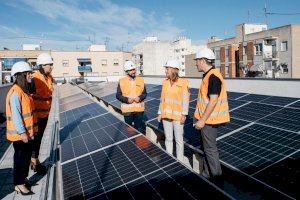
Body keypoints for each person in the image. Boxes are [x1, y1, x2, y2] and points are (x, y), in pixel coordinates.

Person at [193, 48, 230, 179]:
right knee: (207, 149)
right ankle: (207, 175)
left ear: (203, 60)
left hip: (209, 121)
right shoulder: (208, 75)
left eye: (197, 61)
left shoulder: (213, 77)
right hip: (207, 120)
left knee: (210, 149)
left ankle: (216, 178)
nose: (196, 63)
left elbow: (213, 101)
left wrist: (202, 120)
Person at [6, 61, 37, 195]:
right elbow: (16, 116)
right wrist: (22, 133)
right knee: (20, 160)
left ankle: (22, 180)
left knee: (25, 159)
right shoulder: (15, 93)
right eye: (28, 73)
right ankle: (18, 184)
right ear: (21, 76)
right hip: (20, 135)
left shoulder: (23, 91)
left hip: (26, 134)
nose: (31, 75)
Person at [157, 59, 190, 162]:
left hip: (178, 116)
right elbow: (162, 99)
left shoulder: (183, 82)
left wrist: (184, 114)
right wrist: (159, 112)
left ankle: (179, 161)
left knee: (179, 140)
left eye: (167, 69)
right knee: (168, 138)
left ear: (172, 69)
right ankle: (170, 158)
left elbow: (186, 99)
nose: (165, 71)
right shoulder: (165, 82)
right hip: (166, 115)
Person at [31, 53, 54, 175]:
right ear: (42, 65)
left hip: (45, 114)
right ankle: (34, 161)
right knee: (35, 139)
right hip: (35, 116)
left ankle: (35, 159)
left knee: (39, 139)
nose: (51, 67)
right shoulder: (34, 78)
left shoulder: (49, 77)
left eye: (52, 64)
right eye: (49, 64)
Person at [116, 60, 147, 132]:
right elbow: (118, 95)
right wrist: (126, 100)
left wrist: (140, 98)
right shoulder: (121, 81)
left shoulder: (141, 80)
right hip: (127, 111)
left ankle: (137, 143)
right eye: (130, 70)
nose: (133, 72)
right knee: (129, 131)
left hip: (139, 110)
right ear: (126, 71)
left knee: (138, 130)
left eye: (133, 69)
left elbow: (145, 94)